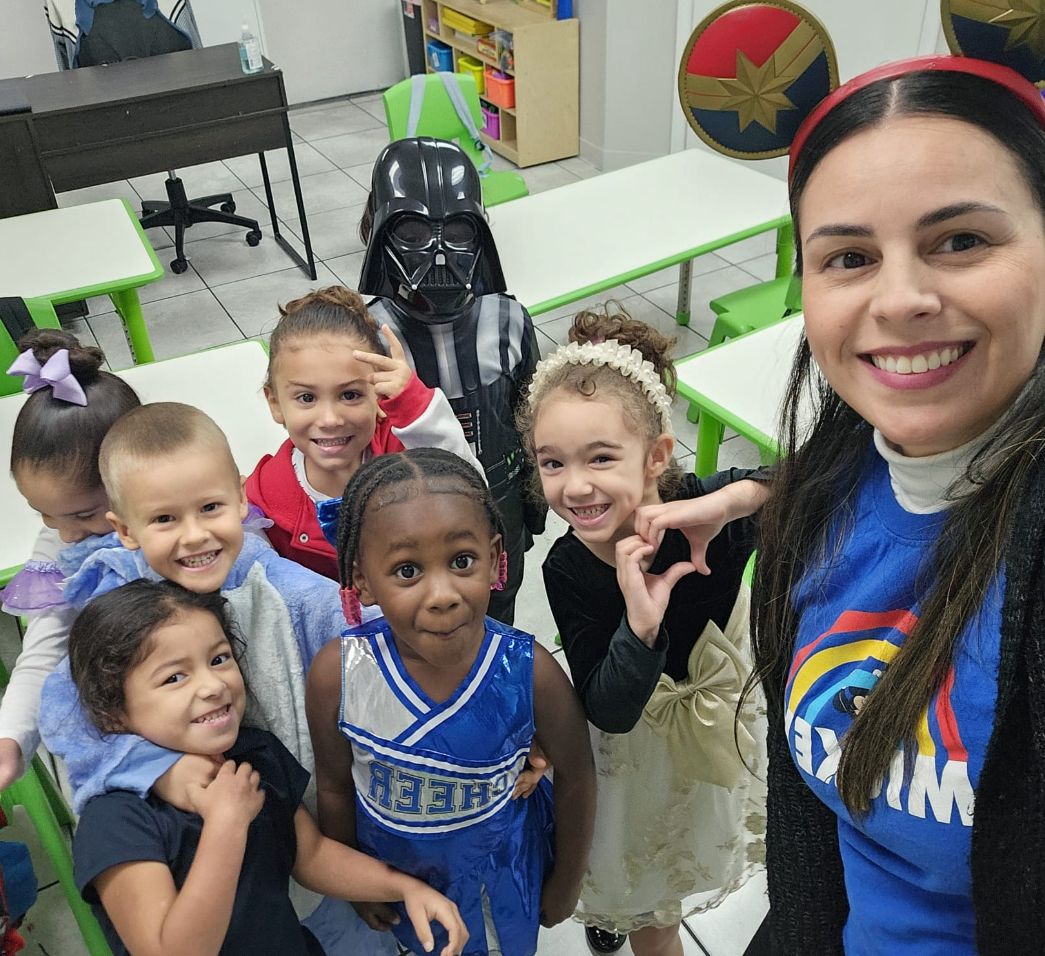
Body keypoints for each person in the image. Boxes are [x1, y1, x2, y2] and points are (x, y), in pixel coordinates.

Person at [653, 35, 1045, 956]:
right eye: (848, 257)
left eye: (960, 240)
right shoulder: (828, 490)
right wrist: (753, 494)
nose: (899, 298)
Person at [36, 402, 392, 954]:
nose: (195, 536)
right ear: (124, 529)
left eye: (209, 507)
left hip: (298, 832)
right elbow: (65, 711)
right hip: (190, 861)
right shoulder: (116, 608)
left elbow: (370, 631)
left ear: (241, 499)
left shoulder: (280, 587)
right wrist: (153, 766)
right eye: (164, 519)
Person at [518, 307, 769, 956]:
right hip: (630, 761)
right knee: (641, 893)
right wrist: (639, 627)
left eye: (601, 457)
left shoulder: (710, 510)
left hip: (715, 734)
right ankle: (624, 910)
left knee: (691, 850)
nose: (576, 486)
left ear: (657, 455)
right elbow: (606, 709)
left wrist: (736, 499)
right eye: (552, 463)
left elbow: (821, 480)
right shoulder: (568, 566)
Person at [69, 579, 468, 956]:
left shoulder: (254, 755)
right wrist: (226, 824)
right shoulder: (116, 818)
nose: (213, 685)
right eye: (174, 677)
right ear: (113, 712)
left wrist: (403, 887)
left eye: (219, 659)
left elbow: (310, 856)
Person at [306, 447, 596, 956]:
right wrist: (358, 882)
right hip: (398, 875)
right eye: (407, 570)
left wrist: (566, 884)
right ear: (361, 578)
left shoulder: (531, 672)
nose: (442, 593)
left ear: (495, 557)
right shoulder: (338, 675)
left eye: (462, 561)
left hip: (500, 876)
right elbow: (333, 785)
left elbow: (578, 777)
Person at [358, 137, 546, 625]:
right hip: (405, 514)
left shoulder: (508, 321)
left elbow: (532, 421)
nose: (439, 253)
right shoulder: (365, 336)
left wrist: (535, 505)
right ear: (380, 231)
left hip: (501, 501)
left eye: (458, 230)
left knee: (499, 605)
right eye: (414, 230)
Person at [247, 285, 481, 580]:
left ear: (378, 396)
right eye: (307, 398)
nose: (330, 419)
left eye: (350, 395)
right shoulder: (263, 498)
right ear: (275, 403)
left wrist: (413, 404)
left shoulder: (406, 454)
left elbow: (472, 493)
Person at [0, 328, 140, 790]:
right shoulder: (58, 546)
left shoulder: (187, 525)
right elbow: (43, 649)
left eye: (82, 514)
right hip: (132, 722)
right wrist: (10, 738)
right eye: (43, 513)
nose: (64, 533)